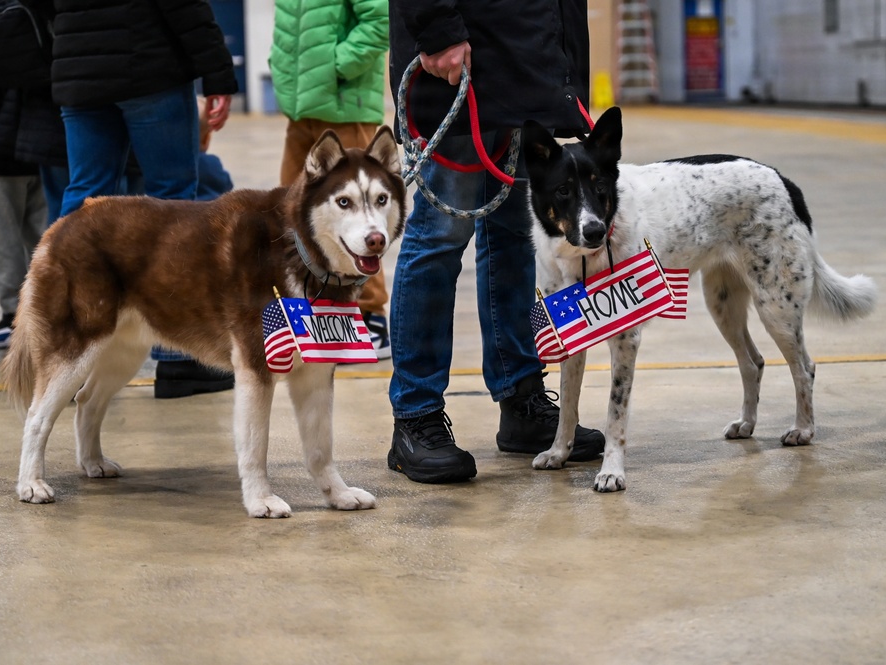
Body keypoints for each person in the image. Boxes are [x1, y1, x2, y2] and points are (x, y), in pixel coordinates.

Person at [384, 0, 606, 483]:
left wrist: (561, 71)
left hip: (531, 68)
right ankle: (414, 416)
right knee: (440, 237)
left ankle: (521, 398)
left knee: (516, 238)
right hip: (462, 64)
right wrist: (437, 29)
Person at [46, 0, 239, 398]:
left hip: (79, 71)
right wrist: (218, 73)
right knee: (174, 204)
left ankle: (67, 352)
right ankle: (179, 359)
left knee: (83, 198)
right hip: (149, 69)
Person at [269, 0, 393, 359]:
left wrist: (335, 67)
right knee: (288, 213)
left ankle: (370, 315)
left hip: (344, 105)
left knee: (359, 212)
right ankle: (309, 312)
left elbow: (379, 19)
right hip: (301, 108)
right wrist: (282, 70)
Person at [0, 3, 67, 350]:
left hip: (1, 147)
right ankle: (43, 314)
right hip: (45, 142)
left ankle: (15, 319)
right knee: (39, 233)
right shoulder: (41, 13)